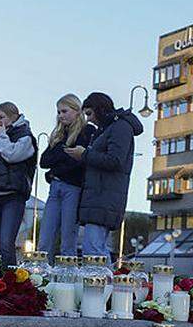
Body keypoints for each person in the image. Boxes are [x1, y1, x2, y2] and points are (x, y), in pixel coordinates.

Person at [66, 92, 144, 260]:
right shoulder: (110, 128)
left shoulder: (120, 127)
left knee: (93, 248)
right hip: (100, 196)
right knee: (95, 248)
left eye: (89, 114)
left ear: (100, 110)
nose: (88, 120)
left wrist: (85, 155)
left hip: (104, 196)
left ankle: (102, 284)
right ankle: (103, 283)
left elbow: (116, 160)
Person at [38, 95, 96, 257]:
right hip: (55, 188)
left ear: (77, 111)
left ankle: (67, 278)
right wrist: (64, 154)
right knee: (44, 239)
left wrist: (56, 167)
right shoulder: (59, 134)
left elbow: (79, 163)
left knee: (68, 240)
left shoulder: (88, 131)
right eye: (58, 112)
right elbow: (44, 161)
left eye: (64, 111)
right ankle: (42, 277)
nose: (60, 115)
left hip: (73, 189)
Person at [0, 102, 37, 267]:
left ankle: (10, 281)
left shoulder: (25, 136)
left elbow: (12, 154)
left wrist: (2, 136)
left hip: (13, 194)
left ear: (14, 117)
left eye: (2, 117)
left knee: (6, 243)